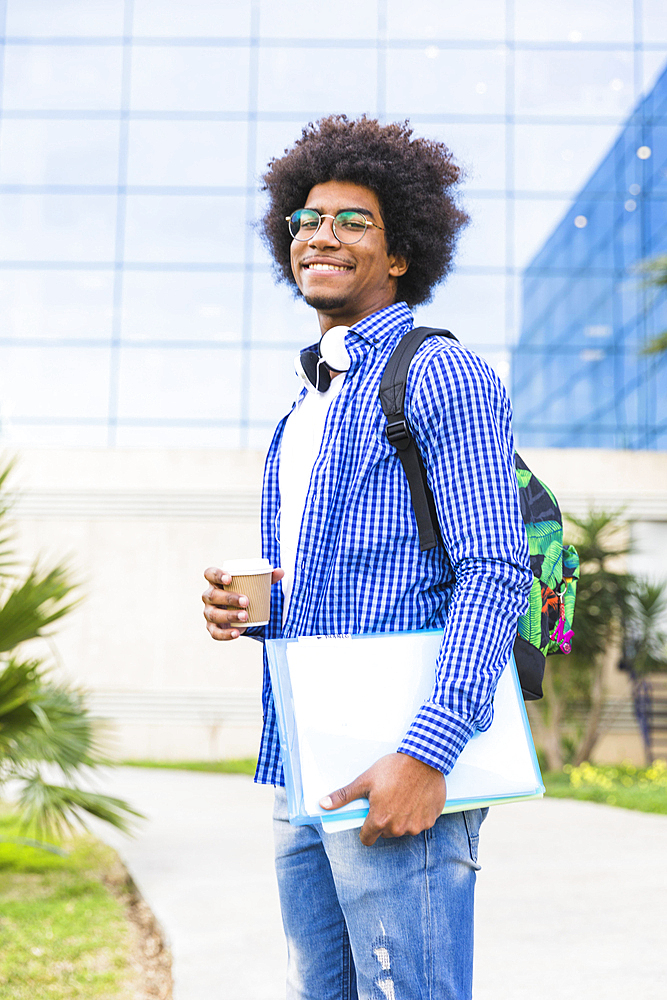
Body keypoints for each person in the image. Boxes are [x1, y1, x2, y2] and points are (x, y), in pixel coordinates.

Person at [202, 115, 532, 1000]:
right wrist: (252, 608)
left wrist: (426, 756)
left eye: (354, 220)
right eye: (308, 218)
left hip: (399, 758)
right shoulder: (301, 409)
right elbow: (341, 582)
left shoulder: (438, 375)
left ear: (399, 255)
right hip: (301, 761)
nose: (322, 233)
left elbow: (496, 570)